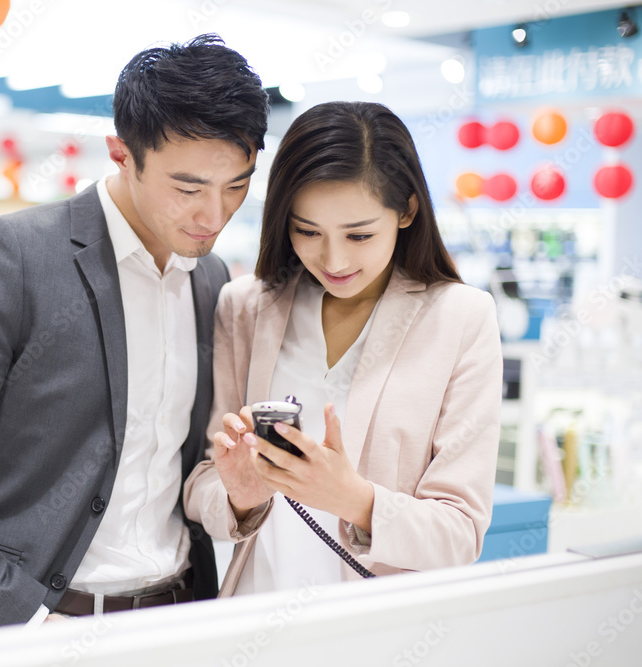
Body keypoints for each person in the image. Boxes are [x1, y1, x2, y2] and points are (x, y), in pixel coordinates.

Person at [0, 34, 270, 631]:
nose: (213, 216)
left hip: (178, 619)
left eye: (236, 186)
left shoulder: (208, 276)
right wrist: (21, 616)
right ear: (122, 154)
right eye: (187, 188)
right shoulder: (18, 255)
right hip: (38, 632)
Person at [184, 101, 502, 595]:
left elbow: (460, 534)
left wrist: (354, 499)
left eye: (359, 235)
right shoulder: (245, 306)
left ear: (407, 211)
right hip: (256, 611)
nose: (332, 259)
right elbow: (203, 479)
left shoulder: (460, 318)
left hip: (377, 629)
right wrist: (239, 497)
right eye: (307, 231)